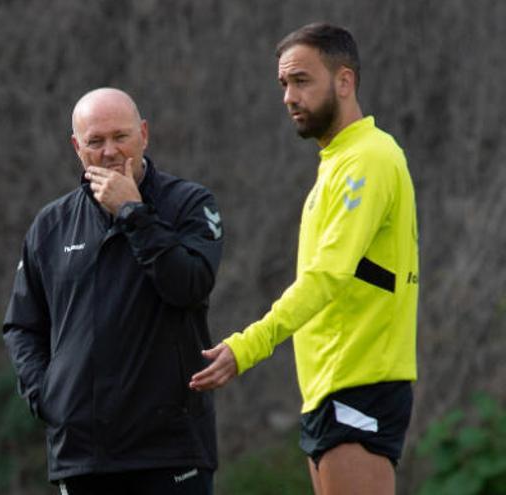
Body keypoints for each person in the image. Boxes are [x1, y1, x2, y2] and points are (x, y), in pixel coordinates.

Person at [189, 23, 418, 495]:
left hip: (361, 382)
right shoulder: (336, 162)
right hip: (331, 388)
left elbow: (326, 277)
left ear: (345, 81)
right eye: (283, 84)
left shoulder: (369, 159)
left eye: (301, 80)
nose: (289, 96)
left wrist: (247, 347)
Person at [3, 87, 224, 494]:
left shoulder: (190, 204)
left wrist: (133, 213)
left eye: (120, 137)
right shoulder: (50, 226)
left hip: (171, 451)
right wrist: (49, 398)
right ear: (76, 147)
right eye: (95, 141)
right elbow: (21, 327)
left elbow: (189, 286)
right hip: (83, 456)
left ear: (144, 134)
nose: (109, 152)